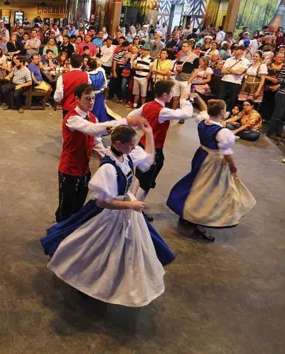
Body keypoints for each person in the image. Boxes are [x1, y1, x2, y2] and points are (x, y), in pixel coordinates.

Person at [42, 124, 175, 307]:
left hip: (125, 208)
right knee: (96, 247)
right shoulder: (108, 169)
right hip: (110, 213)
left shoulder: (126, 156)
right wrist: (131, 204)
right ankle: (87, 281)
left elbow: (148, 160)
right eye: (131, 145)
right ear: (119, 144)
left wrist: (150, 134)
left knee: (124, 249)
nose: (134, 149)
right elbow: (102, 202)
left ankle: (117, 282)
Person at [54, 83, 148, 222]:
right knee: (66, 208)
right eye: (87, 98)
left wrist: (108, 157)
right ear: (76, 99)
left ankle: (70, 232)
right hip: (69, 169)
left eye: (93, 98)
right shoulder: (71, 118)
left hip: (84, 169)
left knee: (78, 206)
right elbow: (93, 129)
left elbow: (96, 140)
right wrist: (126, 121)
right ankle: (57, 236)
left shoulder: (92, 117)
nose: (91, 102)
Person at [167, 98, 256, 242]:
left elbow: (203, 111)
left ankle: (186, 214)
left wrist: (197, 98)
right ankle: (198, 220)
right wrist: (233, 166)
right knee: (207, 190)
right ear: (222, 112)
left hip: (201, 154)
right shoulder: (222, 131)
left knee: (195, 183)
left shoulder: (203, 121)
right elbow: (226, 153)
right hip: (212, 161)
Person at [127, 80, 193, 208]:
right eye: (171, 92)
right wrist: (184, 100)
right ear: (164, 95)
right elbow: (186, 114)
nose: (173, 94)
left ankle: (133, 201)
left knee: (141, 176)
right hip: (154, 148)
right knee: (147, 182)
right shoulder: (162, 111)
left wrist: (139, 126)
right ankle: (135, 208)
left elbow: (131, 116)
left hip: (142, 144)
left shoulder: (147, 105)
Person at [220, 46, 251, 112]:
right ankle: (218, 111)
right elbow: (223, 70)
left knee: (232, 100)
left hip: (236, 83)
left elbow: (239, 72)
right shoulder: (229, 59)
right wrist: (234, 71)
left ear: (242, 51)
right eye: (234, 49)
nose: (234, 51)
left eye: (237, 49)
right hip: (225, 80)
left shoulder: (246, 61)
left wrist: (228, 69)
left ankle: (228, 113)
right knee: (221, 97)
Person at [86, 57, 110, 122]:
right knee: (101, 112)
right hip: (99, 95)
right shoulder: (101, 73)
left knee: (92, 113)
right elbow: (105, 85)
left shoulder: (87, 75)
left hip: (90, 96)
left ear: (88, 66)